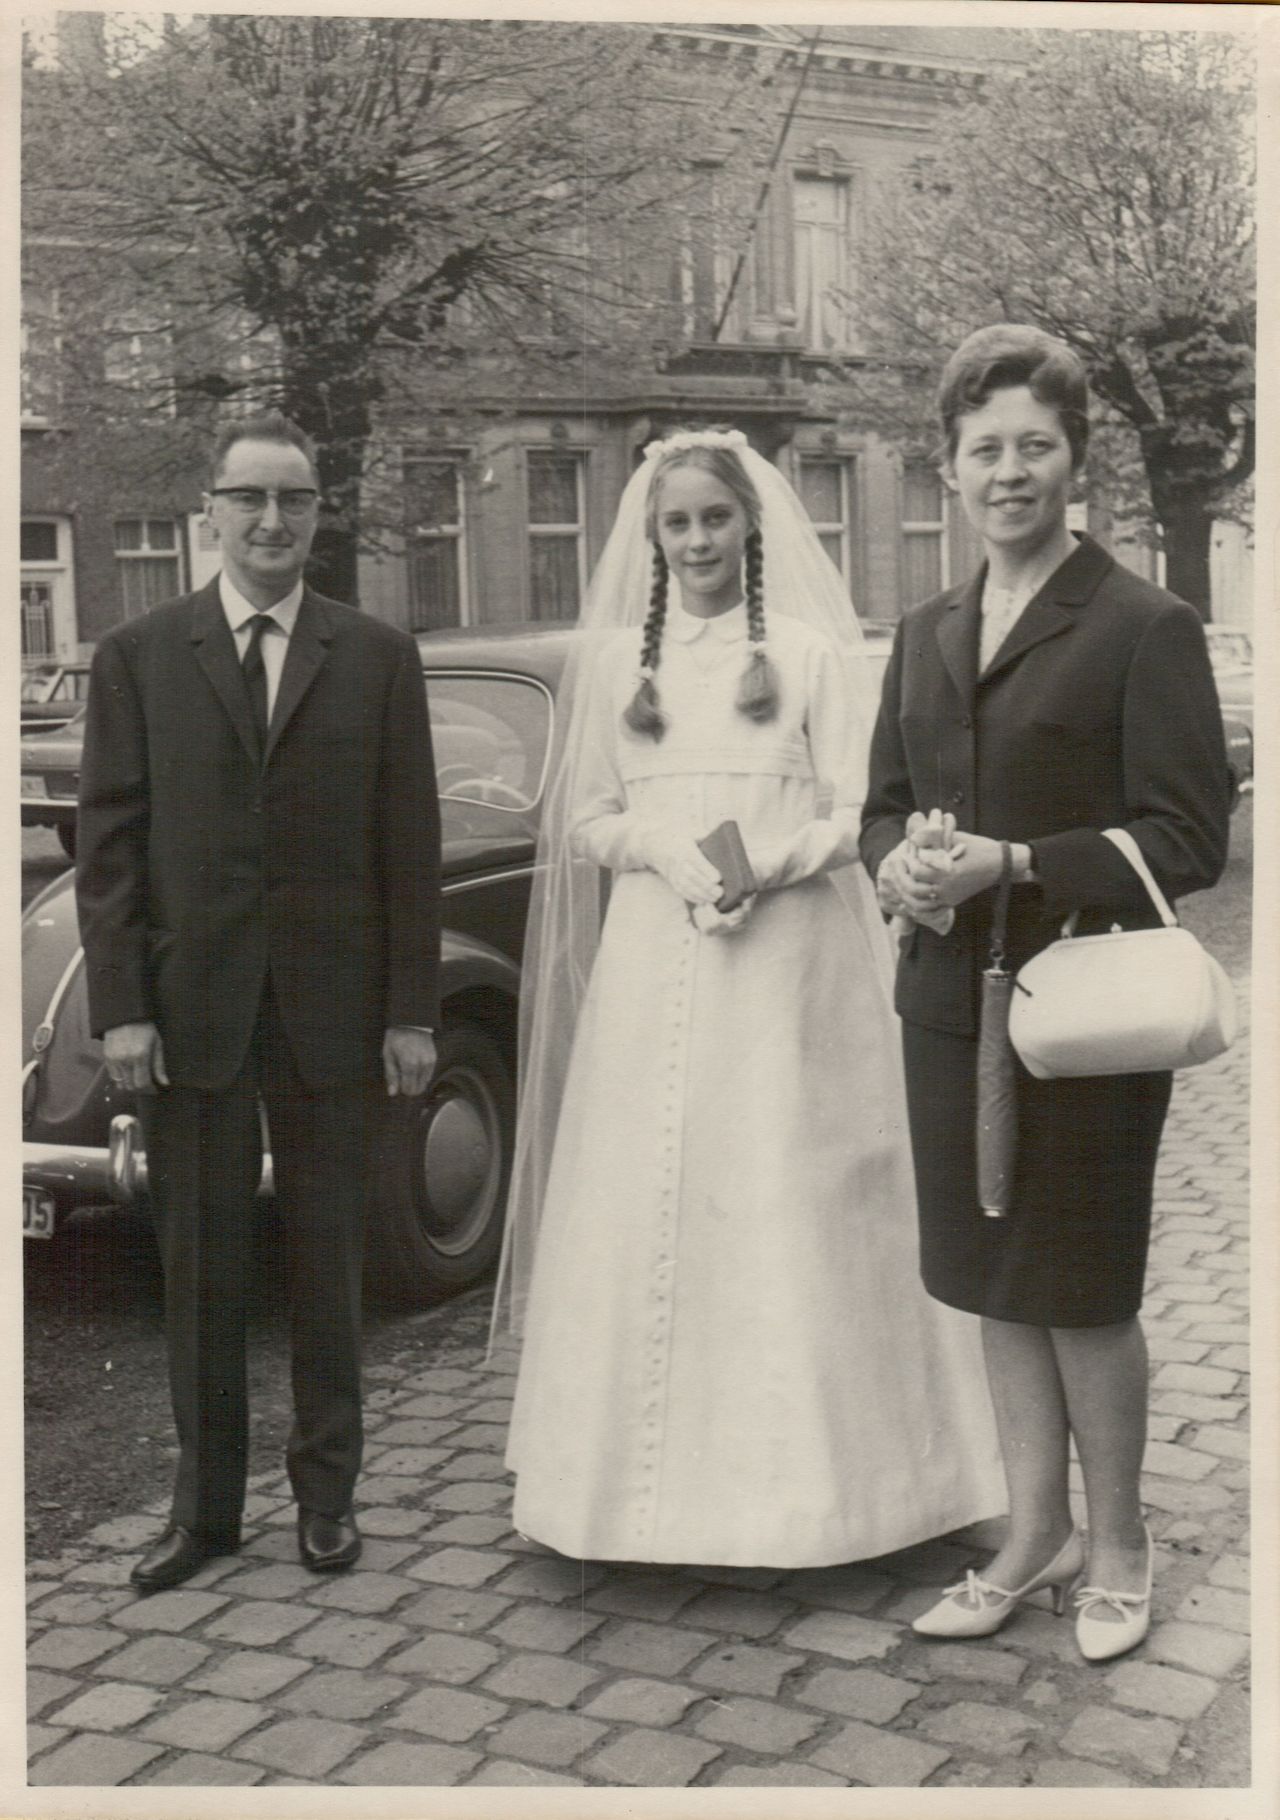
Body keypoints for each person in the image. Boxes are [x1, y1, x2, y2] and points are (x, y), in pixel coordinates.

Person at [494, 427, 1006, 1567]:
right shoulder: (628, 664)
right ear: (652, 535)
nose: (695, 542)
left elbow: (855, 806)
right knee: (658, 1193)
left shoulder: (815, 657)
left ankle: (836, 1493)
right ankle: (631, 1499)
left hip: (788, 967)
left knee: (789, 1189)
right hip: (654, 954)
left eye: (713, 520)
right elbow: (584, 815)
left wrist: (768, 860)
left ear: (749, 525)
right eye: (675, 524)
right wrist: (667, 854)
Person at [860, 326, 1229, 1661]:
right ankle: (1032, 1535)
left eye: (1033, 447)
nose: (1008, 472)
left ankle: (1119, 1543)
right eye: (983, 451)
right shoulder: (923, 630)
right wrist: (899, 867)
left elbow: (1186, 838)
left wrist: (1016, 863)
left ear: (1075, 461)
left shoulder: (1141, 624)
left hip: (1082, 1018)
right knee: (992, 1283)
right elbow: (880, 813)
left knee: (1081, 1286)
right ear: (949, 471)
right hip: (948, 1008)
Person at [76, 412, 441, 1591]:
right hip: (191, 1019)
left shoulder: (376, 656)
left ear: (318, 514)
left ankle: (327, 1499)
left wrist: (410, 1010)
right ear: (211, 513)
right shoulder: (139, 656)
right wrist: (123, 1006)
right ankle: (204, 1511)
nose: (272, 521)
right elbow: (113, 848)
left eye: (295, 500)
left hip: (333, 1015)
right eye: (251, 499)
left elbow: (408, 848)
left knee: (329, 1267)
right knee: (202, 1269)